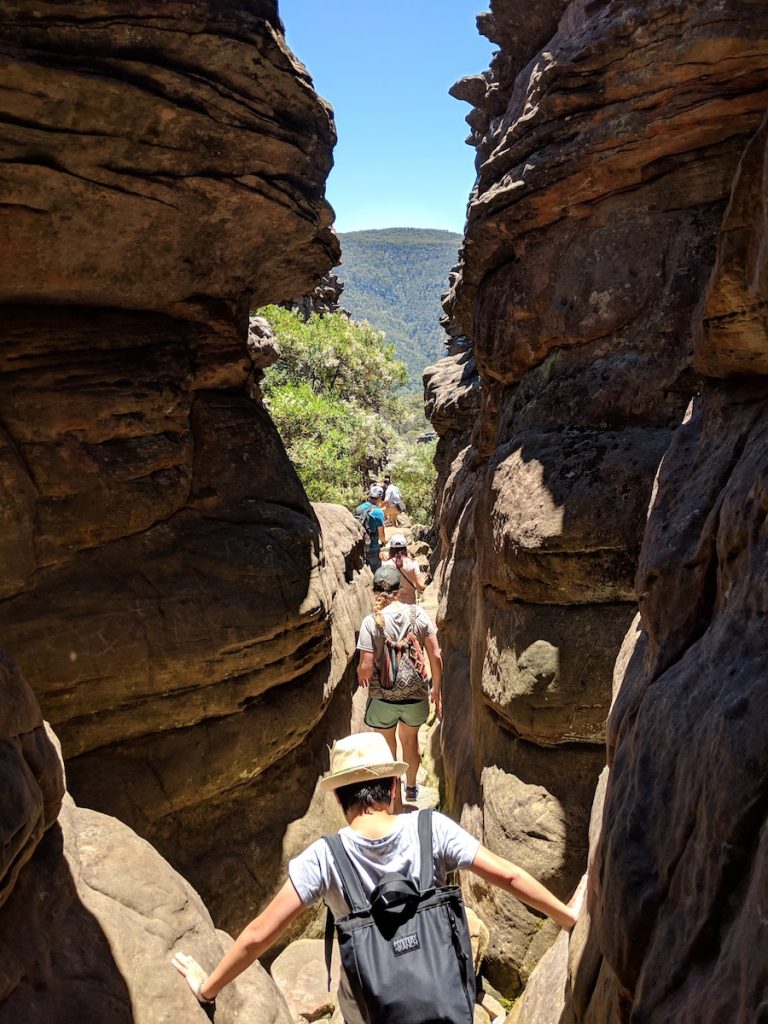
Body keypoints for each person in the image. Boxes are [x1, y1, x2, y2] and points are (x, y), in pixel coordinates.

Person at [172, 734, 580, 1023]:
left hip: (370, 1011)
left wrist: (206, 988)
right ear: (392, 785)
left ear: (337, 797)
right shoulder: (431, 828)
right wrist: (568, 918)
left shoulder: (323, 857)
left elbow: (260, 934)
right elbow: (507, 875)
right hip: (443, 999)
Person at [357, 564, 439, 806]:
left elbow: (366, 666)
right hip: (415, 696)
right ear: (399, 589)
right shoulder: (418, 614)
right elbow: (435, 654)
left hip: (383, 699)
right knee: (410, 742)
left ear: (374, 591)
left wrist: (362, 675)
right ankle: (412, 786)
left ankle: (394, 797)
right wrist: (437, 689)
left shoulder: (371, 622)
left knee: (387, 748)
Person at [381, 534, 425, 605]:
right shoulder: (412, 563)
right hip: (410, 605)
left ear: (391, 549)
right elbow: (421, 587)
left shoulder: (385, 564)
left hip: (392, 606)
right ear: (405, 548)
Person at [355, 485, 386, 572]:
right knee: (376, 571)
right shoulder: (378, 512)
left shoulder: (359, 508)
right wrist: (385, 542)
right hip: (372, 547)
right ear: (380, 497)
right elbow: (381, 536)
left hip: (359, 544)